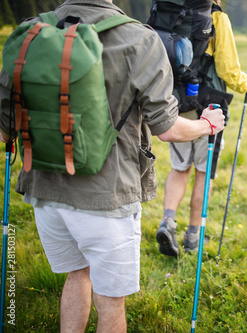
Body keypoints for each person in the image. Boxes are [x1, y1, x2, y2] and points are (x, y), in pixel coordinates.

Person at [0, 0, 225, 331]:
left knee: (77, 274)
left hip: (44, 192)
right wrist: (207, 125)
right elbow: (168, 129)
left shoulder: (30, 33)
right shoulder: (138, 39)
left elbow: (5, 128)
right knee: (111, 302)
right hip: (106, 197)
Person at [156, 0, 247, 256]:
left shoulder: (169, 10)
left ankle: (168, 221)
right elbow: (228, 69)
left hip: (177, 102)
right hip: (209, 106)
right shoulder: (215, 16)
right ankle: (193, 237)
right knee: (204, 172)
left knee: (180, 168)